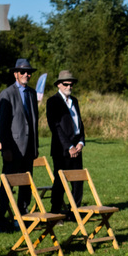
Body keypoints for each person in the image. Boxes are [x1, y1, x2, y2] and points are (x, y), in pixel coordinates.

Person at [0, 58, 39, 227]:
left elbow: (34, 122)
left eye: (28, 72)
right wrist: (5, 148)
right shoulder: (7, 94)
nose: (26, 75)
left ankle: (22, 216)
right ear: (15, 74)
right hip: (13, 148)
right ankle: (0, 219)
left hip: (29, 148)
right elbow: (3, 125)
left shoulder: (32, 93)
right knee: (7, 185)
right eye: (22, 72)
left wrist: (35, 147)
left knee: (26, 184)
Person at [45, 70, 85, 216]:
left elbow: (79, 123)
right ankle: (55, 212)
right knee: (60, 181)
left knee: (78, 181)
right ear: (58, 85)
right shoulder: (52, 101)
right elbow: (55, 126)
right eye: (66, 84)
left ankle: (75, 211)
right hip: (61, 148)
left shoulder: (75, 101)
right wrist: (69, 146)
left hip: (77, 146)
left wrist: (81, 142)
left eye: (71, 84)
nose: (69, 87)